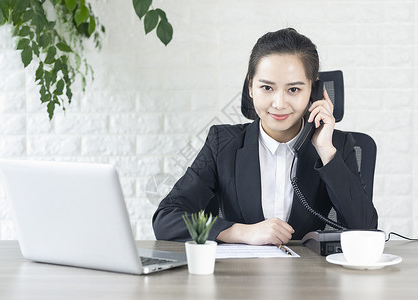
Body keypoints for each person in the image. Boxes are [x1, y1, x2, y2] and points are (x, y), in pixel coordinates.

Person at [152, 28, 378, 245]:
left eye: (294, 89)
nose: (279, 104)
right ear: (251, 87)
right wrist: (240, 231)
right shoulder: (222, 144)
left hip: (311, 280)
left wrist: (325, 151)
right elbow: (165, 220)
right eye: (267, 88)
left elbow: (366, 230)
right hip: (241, 279)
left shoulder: (336, 146)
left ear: (314, 91)